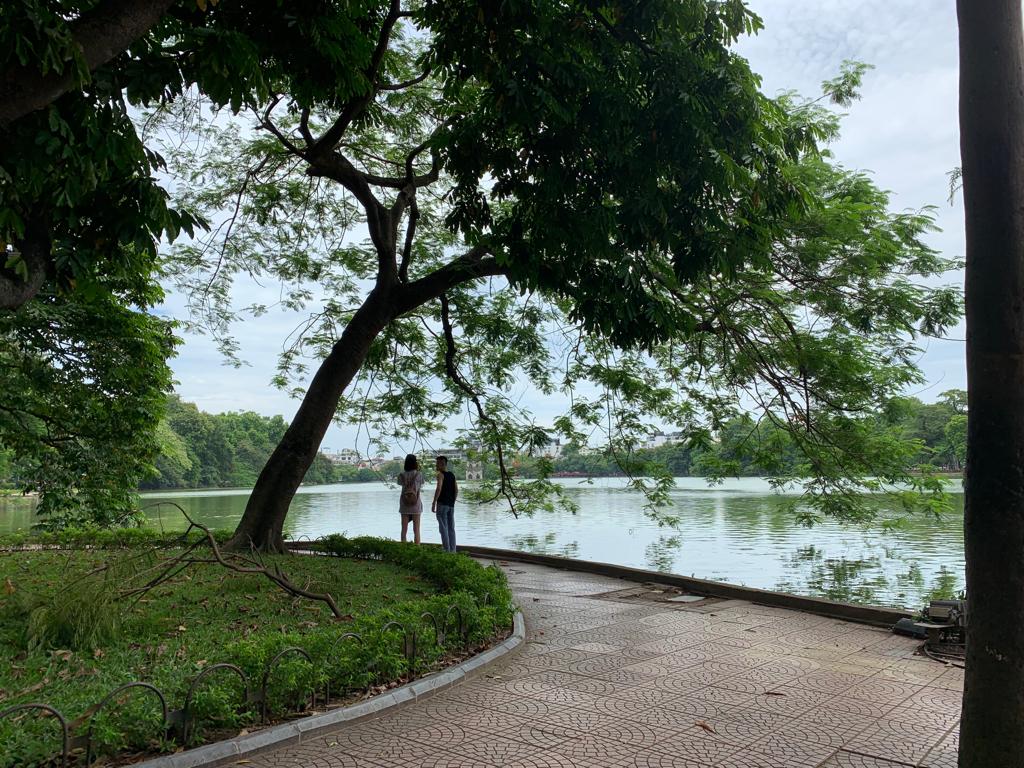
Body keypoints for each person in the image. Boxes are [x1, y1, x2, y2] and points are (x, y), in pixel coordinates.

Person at [431, 455, 458, 553]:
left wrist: (434, 502)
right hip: (451, 505)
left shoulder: (440, 475)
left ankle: (446, 550)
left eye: (437, 463)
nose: (436, 465)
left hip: (442, 504)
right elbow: (456, 490)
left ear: (442, 464)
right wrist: (452, 501)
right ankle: (453, 550)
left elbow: (439, 488)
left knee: (443, 528)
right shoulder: (452, 475)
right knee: (451, 528)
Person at [396, 453, 423, 544]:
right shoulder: (419, 474)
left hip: (404, 503)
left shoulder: (401, 475)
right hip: (416, 503)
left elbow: (399, 483)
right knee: (417, 530)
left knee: (404, 530)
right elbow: (420, 486)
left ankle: (403, 550)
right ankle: (417, 549)